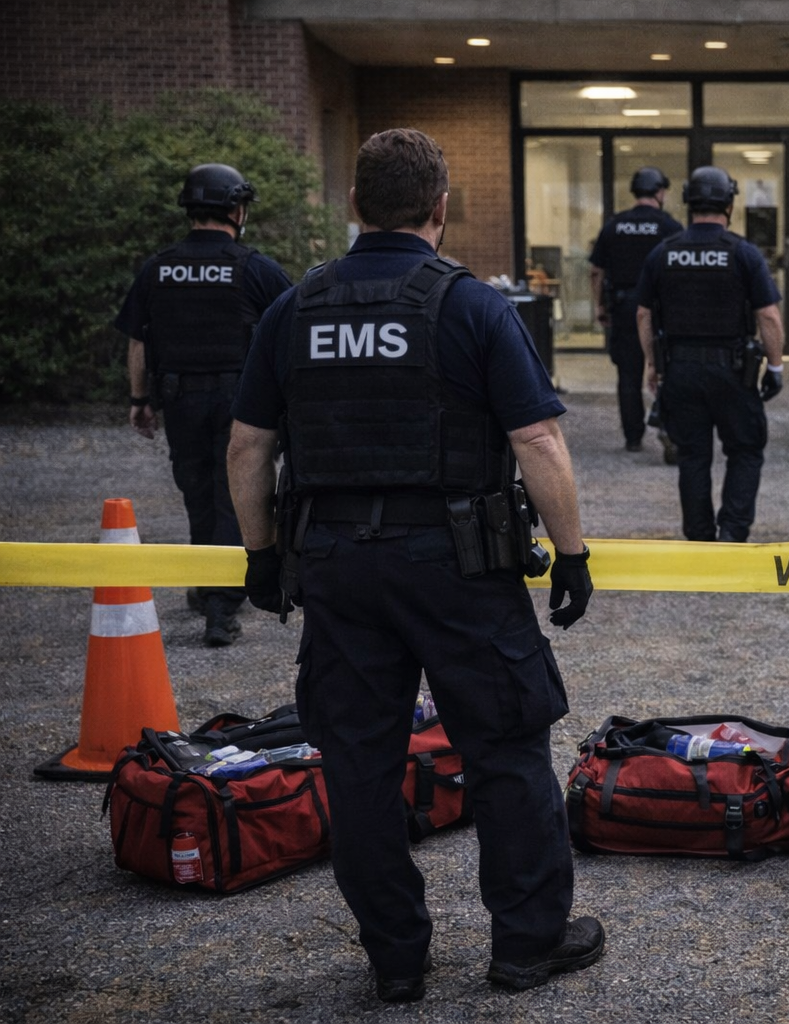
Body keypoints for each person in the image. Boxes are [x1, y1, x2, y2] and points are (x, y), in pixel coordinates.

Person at [226, 128, 603, 1003]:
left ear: (355, 205)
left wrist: (261, 555)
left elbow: (248, 447)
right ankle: (527, 945)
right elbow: (538, 439)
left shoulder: (297, 307)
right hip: (458, 564)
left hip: (335, 565)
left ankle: (395, 961)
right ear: (441, 207)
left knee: (358, 760)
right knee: (505, 747)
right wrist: (573, 554)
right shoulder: (472, 306)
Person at [115, 163, 291, 646]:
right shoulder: (255, 268)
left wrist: (139, 399)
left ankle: (209, 585)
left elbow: (138, 341)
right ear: (236, 209)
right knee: (236, 493)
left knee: (197, 493)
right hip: (242, 404)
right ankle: (222, 604)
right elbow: (293, 329)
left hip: (179, 399)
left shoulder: (157, 268)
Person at [636, 165, 785, 543]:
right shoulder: (743, 253)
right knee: (745, 450)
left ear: (689, 202)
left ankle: (700, 538)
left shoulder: (663, 252)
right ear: (729, 204)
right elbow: (768, 315)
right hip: (733, 371)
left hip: (680, 371)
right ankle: (732, 533)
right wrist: (776, 366)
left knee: (692, 455)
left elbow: (643, 314)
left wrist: (652, 364)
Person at [588, 167, 683, 455]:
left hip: (624, 305)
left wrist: (599, 305)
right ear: (660, 192)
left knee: (628, 375)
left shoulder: (614, 225)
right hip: (660, 308)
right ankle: (669, 428)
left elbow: (596, 271)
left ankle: (633, 437)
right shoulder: (669, 226)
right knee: (667, 369)